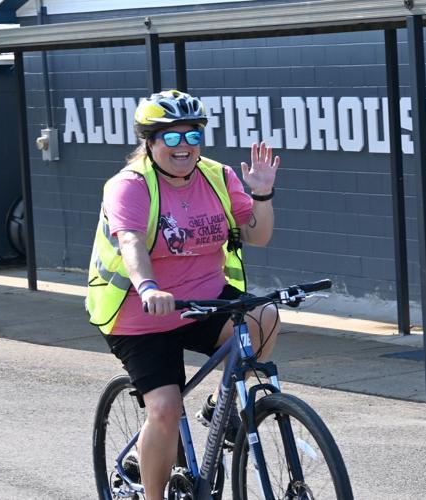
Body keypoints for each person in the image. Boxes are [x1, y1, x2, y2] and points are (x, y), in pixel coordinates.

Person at [86, 90, 281, 500]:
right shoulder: (130, 185)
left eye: (192, 136)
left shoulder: (217, 176)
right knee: (164, 410)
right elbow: (132, 245)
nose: (184, 147)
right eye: (171, 138)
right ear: (150, 142)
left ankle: (217, 407)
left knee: (264, 318)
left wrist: (261, 193)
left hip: (204, 300)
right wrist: (148, 287)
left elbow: (258, 236)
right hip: (141, 315)